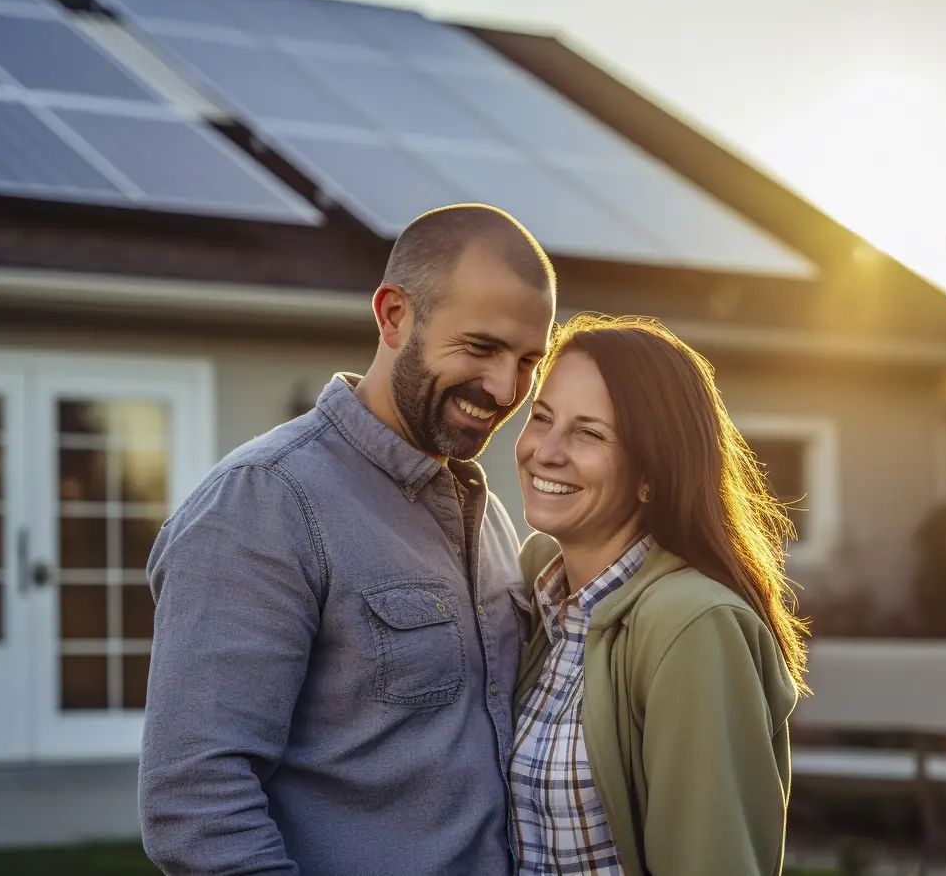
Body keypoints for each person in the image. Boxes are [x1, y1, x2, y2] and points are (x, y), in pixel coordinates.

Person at [138, 204, 556, 876]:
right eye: (480, 348)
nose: (505, 388)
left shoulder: (484, 511)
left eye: (528, 359)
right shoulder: (266, 501)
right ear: (394, 315)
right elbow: (195, 803)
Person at [510, 314, 809, 876]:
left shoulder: (692, 625)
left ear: (652, 471)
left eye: (589, 433)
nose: (545, 451)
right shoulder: (536, 594)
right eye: (542, 418)